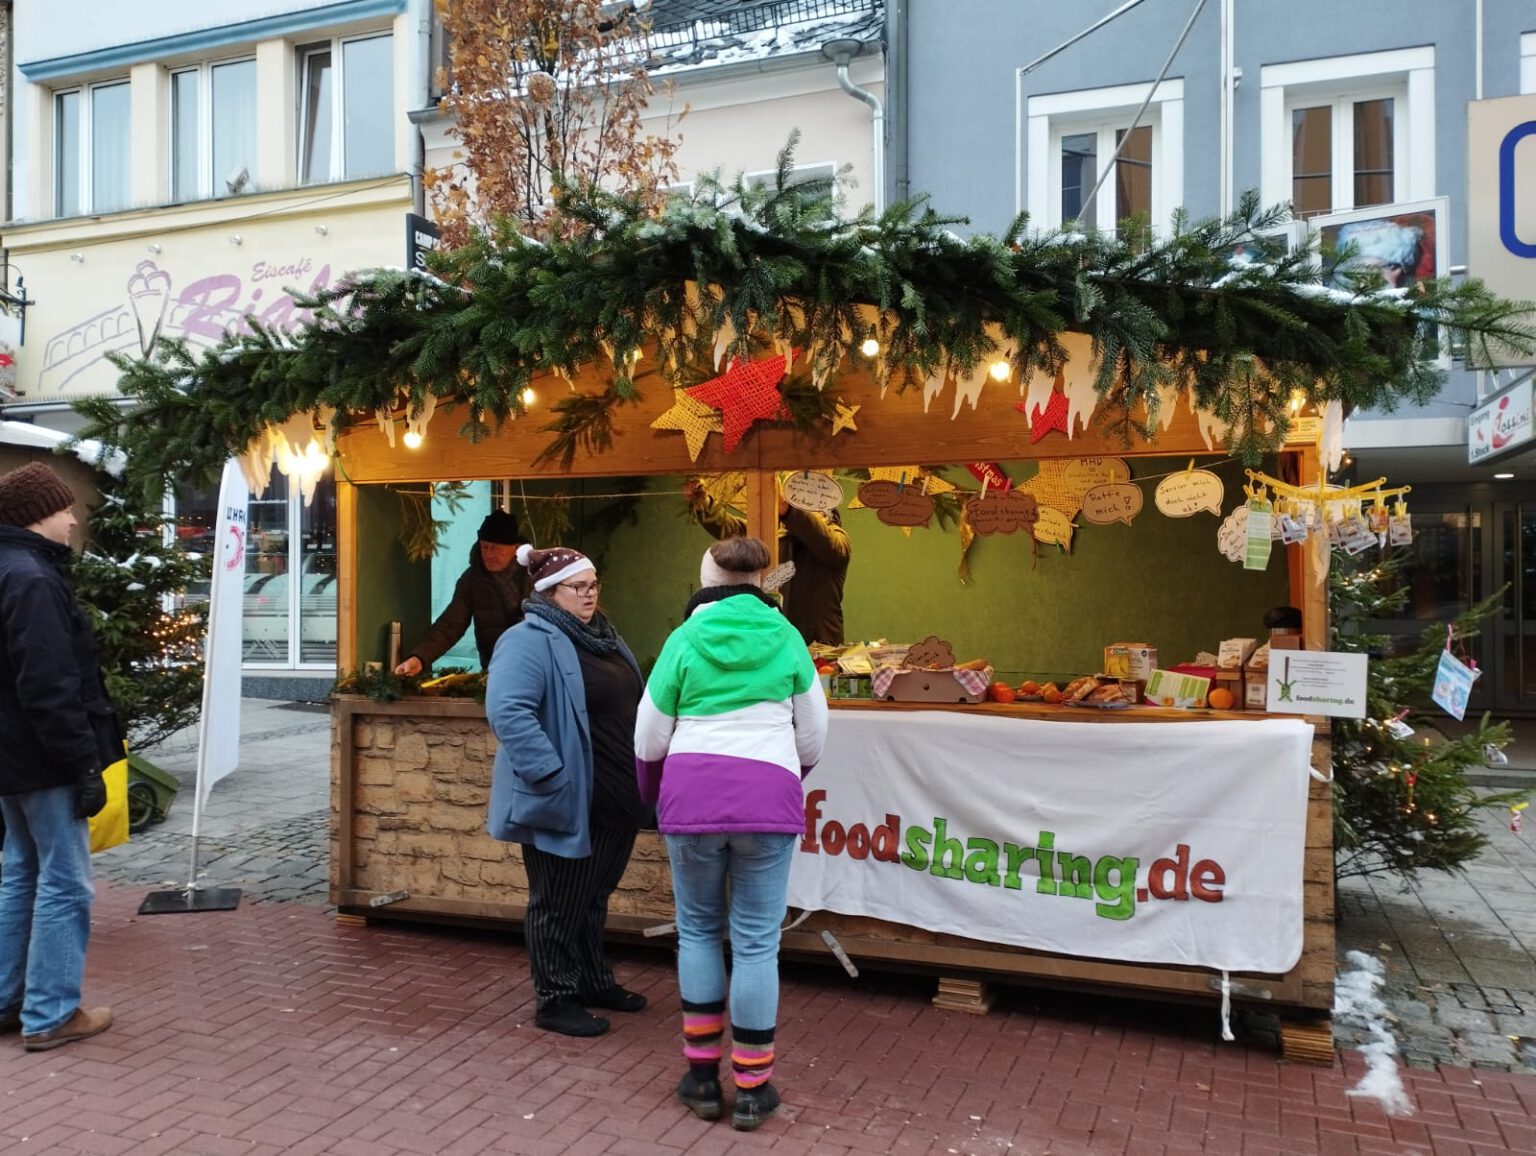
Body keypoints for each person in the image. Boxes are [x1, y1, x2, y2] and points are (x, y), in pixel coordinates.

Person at [634, 536, 829, 1131]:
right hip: (767, 801)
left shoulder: (683, 640)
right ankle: (752, 1087)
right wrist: (780, 772)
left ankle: (700, 1079)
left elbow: (648, 740)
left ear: (706, 579)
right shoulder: (789, 638)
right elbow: (814, 734)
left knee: (696, 932)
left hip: (692, 799)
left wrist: (654, 795)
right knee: (755, 944)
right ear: (760, 582)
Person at [484, 542, 650, 1037]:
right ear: (550, 592)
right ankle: (555, 998)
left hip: (616, 798)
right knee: (556, 902)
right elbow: (509, 712)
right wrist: (552, 775)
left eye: (593, 583)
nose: (589, 593)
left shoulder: (602, 636)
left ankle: (592, 980)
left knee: (593, 896)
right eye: (578, 586)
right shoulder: (527, 640)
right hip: (567, 798)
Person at [0, 462, 119, 1052]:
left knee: (20, 871)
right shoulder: (31, 578)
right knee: (65, 882)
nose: (73, 518)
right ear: (36, 514)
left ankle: (8, 1001)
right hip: (43, 758)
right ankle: (50, 1013)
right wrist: (82, 764)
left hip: (11, 757)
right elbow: (49, 684)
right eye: (63, 508)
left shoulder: (10, 569)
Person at [394, 509, 530, 676]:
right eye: (484, 547)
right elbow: (450, 625)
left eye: (495, 548)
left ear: (515, 548)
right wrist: (419, 658)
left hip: (535, 667)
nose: (488, 554)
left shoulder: (535, 575)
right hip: (494, 670)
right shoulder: (472, 580)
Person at [777, 478, 851, 646]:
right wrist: (705, 506)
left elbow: (820, 536)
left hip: (821, 645)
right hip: (785, 639)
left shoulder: (838, 539)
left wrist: (789, 510)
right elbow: (740, 530)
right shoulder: (784, 538)